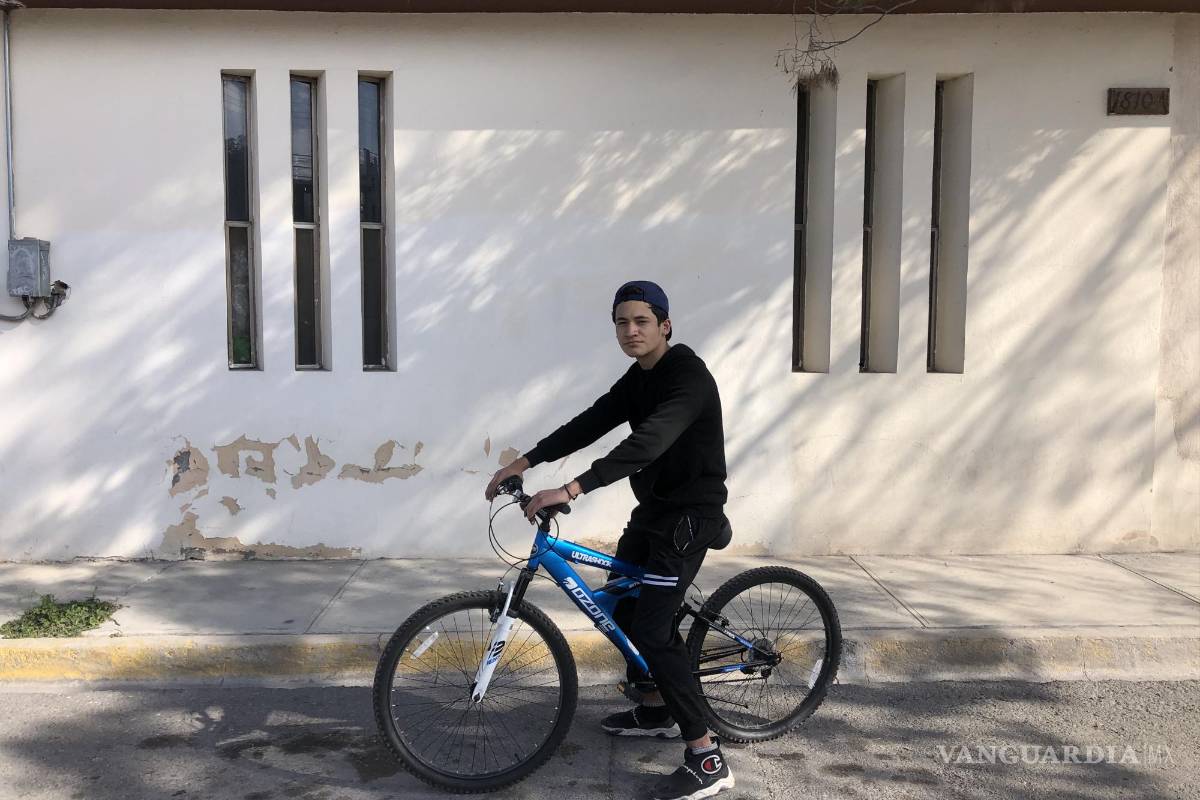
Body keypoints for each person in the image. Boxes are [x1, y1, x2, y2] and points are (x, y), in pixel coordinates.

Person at [485, 280, 735, 800]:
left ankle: (706, 756)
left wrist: (572, 487)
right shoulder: (637, 377)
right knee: (622, 601)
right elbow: (592, 421)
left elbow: (648, 442)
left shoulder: (687, 377)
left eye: (641, 321)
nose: (630, 330)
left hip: (690, 514)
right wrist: (524, 461)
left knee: (653, 626)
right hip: (654, 512)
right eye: (621, 322)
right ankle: (655, 707)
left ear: (665, 325)